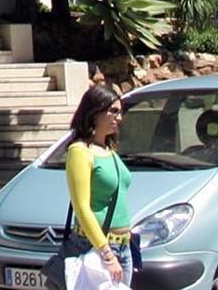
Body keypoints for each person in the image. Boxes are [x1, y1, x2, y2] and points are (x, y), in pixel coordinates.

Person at [61, 84, 135, 285]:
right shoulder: (80, 151)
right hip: (96, 247)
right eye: (113, 111)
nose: (119, 118)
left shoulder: (108, 149)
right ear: (95, 112)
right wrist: (107, 254)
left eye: (120, 112)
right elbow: (82, 207)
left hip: (123, 246)